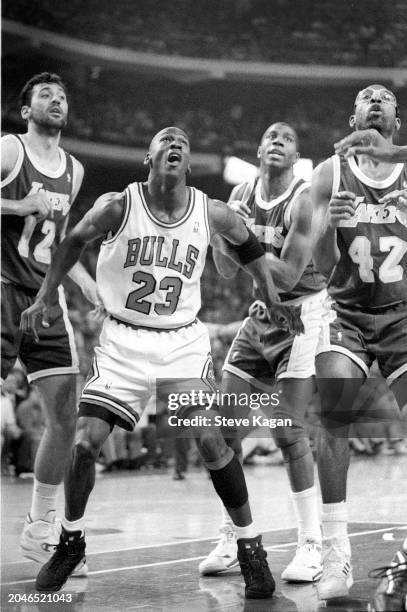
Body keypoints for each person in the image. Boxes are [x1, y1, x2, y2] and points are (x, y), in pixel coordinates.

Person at [21, 126, 303, 597]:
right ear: (147, 158)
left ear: (188, 165)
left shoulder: (210, 211)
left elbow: (250, 246)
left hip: (180, 344)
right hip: (123, 340)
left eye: (183, 144)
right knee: (85, 443)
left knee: (211, 442)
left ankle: (251, 545)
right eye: (164, 141)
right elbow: (69, 244)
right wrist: (48, 294)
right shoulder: (118, 205)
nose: (175, 144)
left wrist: (270, 296)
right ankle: (70, 541)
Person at [199, 122, 327, 582]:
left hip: (303, 314)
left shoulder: (304, 198)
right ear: (257, 147)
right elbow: (223, 268)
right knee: (225, 429)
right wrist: (219, 230)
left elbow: (289, 276)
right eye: (270, 135)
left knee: (288, 433)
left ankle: (311, 543)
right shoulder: (238, 198)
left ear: (295, 156)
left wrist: (241, 238)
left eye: (287, 139)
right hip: (261, 316)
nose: (277, 141)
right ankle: (234, 533)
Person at [311, 84, 407, 609]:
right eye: (366, 98)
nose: (375, 101)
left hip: (402, 312)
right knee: (333, 414)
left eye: (385, 97)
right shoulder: (330, 172)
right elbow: (318, 262)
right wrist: (333, 223)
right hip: (345, 311)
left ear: (397, 117)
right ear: (353, 116)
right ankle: (334, 551)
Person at [1, 72, 99, 574]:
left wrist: (83, 282)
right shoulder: (9, 151)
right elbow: (23, 212)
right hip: (0, 286)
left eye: (62, 95)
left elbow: (59, 241)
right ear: (26, 109)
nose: (57, 100)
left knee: (66, 411)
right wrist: (17, 204)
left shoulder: (74, 169)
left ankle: (41, 529)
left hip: (44, 298)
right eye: (45, 95)